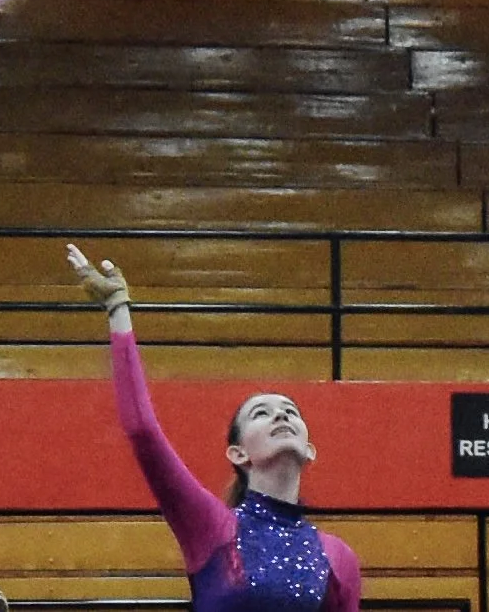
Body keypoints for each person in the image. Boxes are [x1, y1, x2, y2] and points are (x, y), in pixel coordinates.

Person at [64, 244, 360, 612]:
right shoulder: (212, 527)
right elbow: (142, 430)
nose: (281, 416)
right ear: (238, 453)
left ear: (310, 448)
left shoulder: (338, 557)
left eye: (290, 411)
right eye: (261, 414)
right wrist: (117, 309)